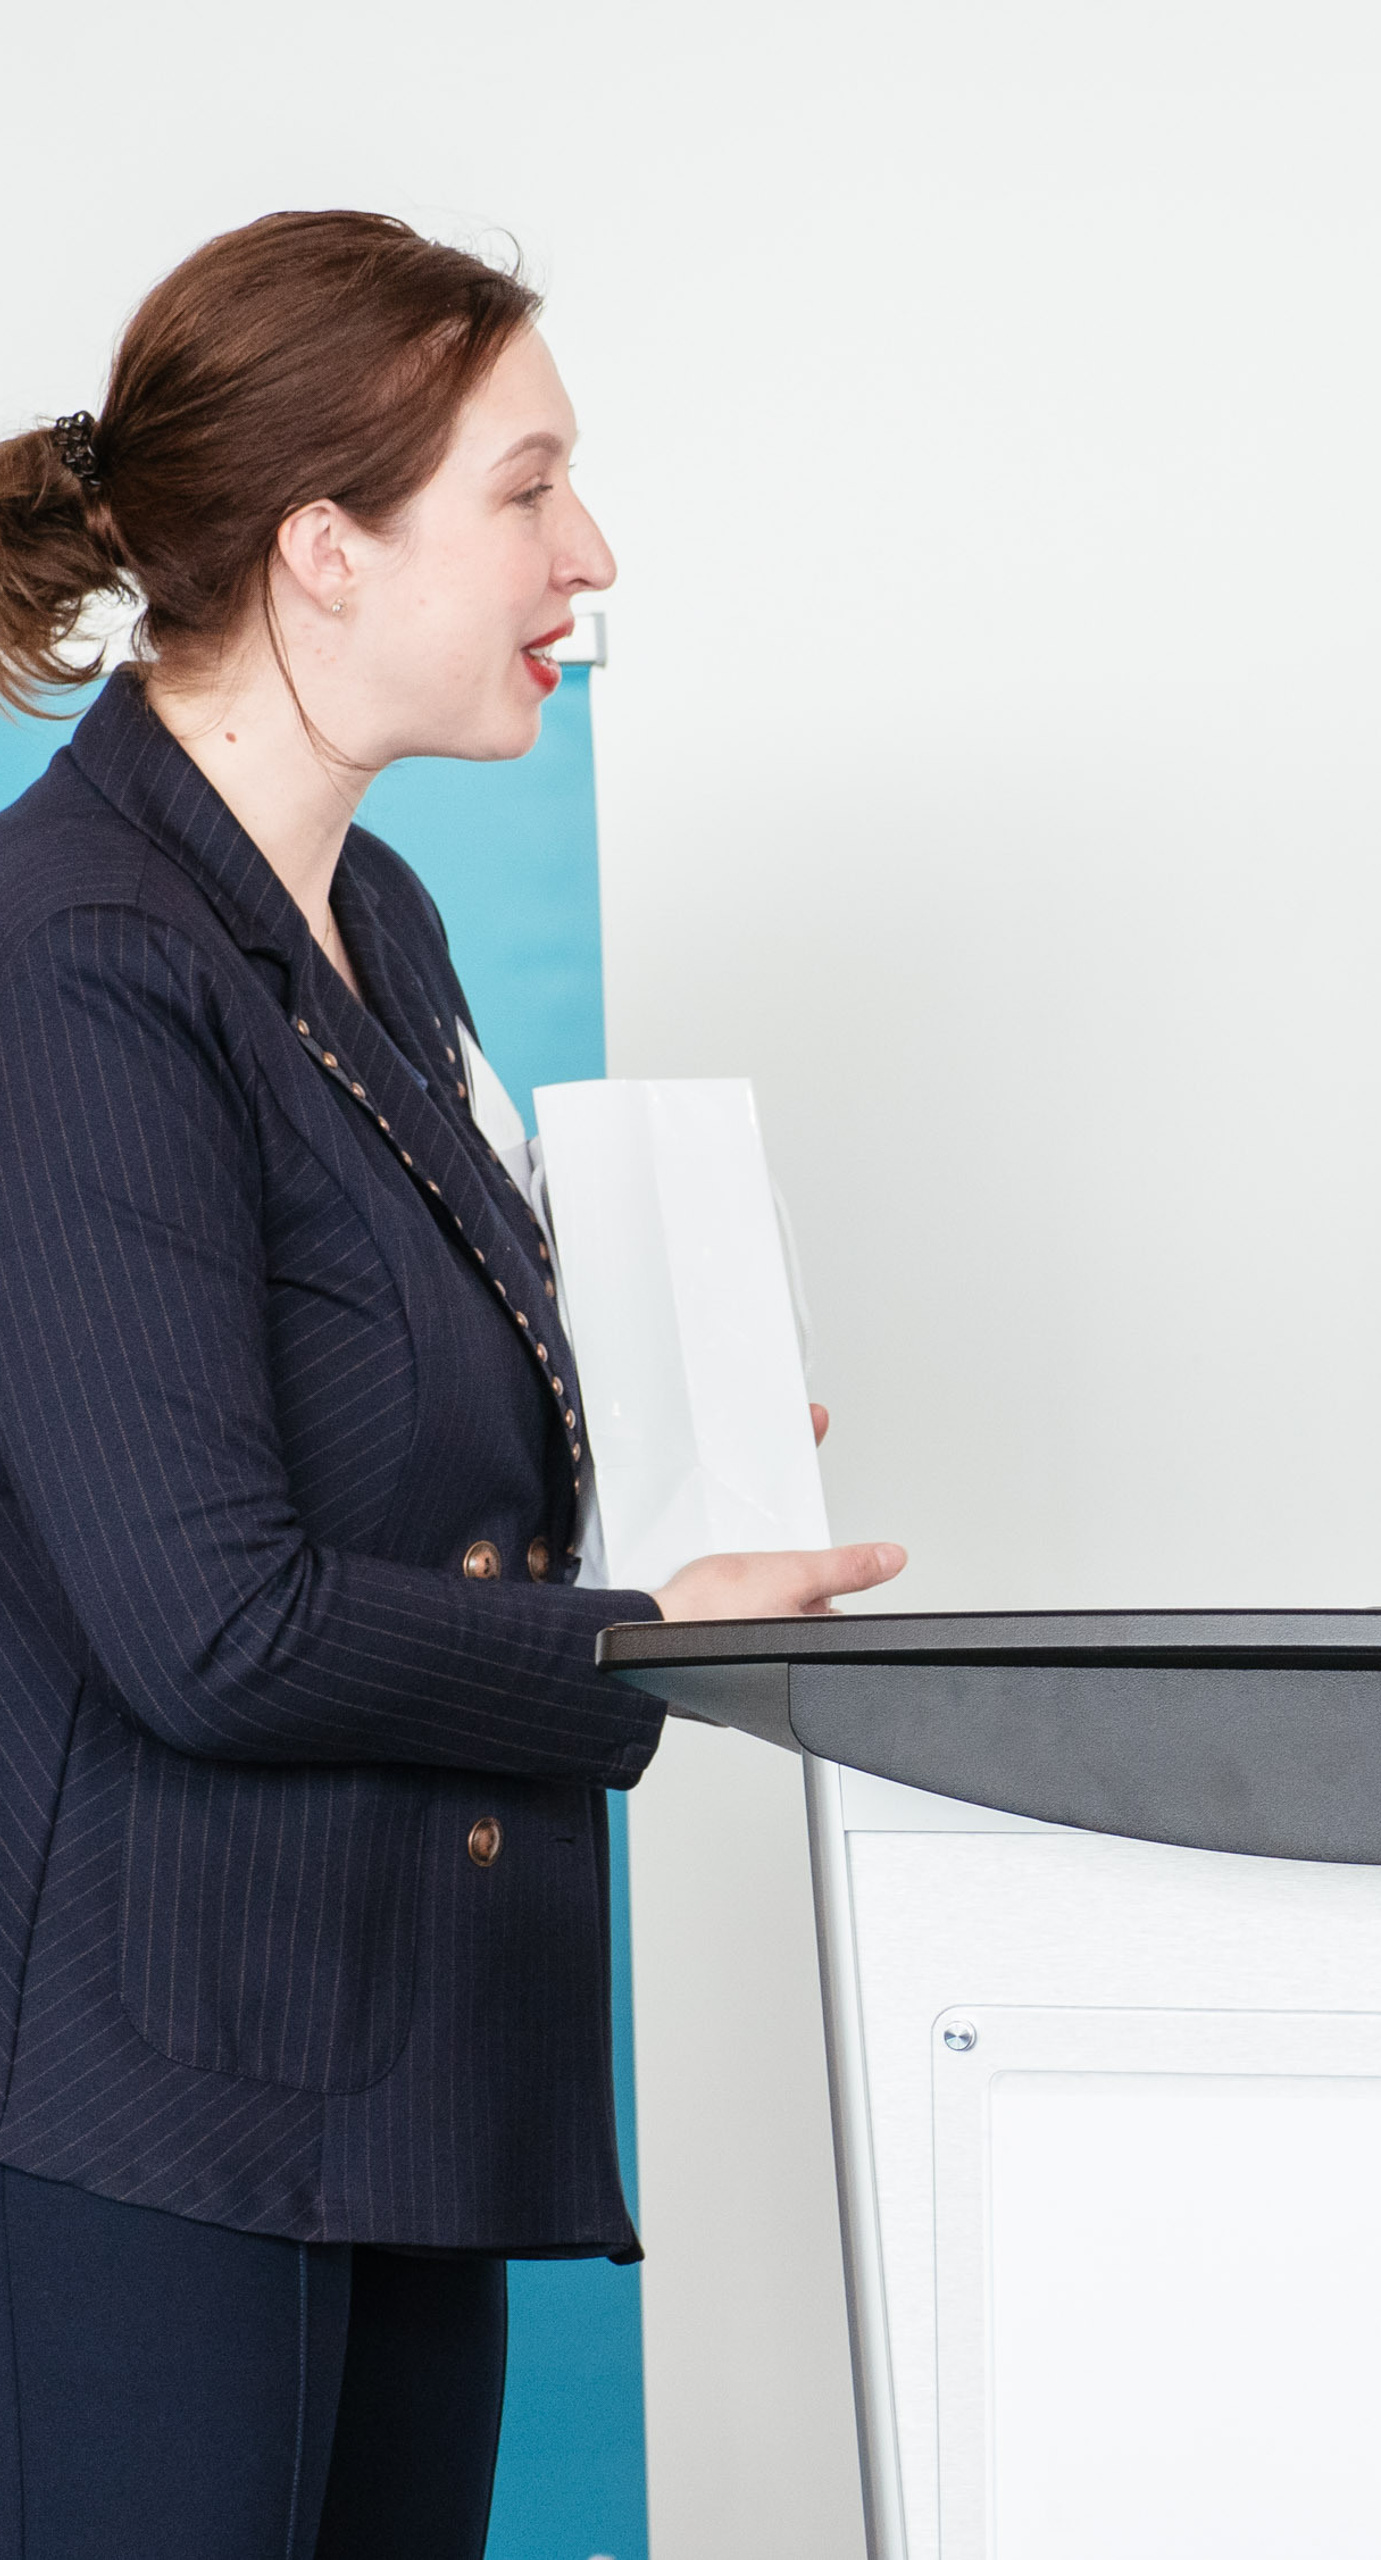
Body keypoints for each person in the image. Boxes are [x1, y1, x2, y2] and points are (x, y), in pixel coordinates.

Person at [0, 212, 904, 2558]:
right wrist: (650, 1631)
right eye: (526, 488)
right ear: (321, 547)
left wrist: (658, 1453)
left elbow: (391, 1433)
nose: (585, 548)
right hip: (163, 2112)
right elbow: (204, 1619)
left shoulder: (372, 923)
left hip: (403, 2067)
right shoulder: (76, 961)